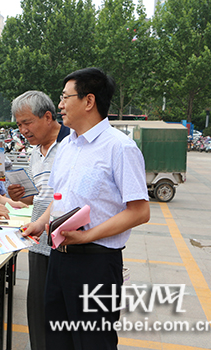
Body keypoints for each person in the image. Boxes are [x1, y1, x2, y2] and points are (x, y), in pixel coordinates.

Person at [22, 68, 150, 350]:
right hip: (59, 259)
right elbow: (59, 198)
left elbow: (140, 211)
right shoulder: (67, 146)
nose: (60, 105)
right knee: (57, 341)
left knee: (94, 343)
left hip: (96, 265)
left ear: (89, 101)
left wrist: (87, 236)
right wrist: (39, 222)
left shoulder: (120, 148)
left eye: (65, 97)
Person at [7, 90, 70, 350]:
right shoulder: (35, 152)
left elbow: (65, 195)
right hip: (37, 234)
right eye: (19, 124)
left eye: (27, 122)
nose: (22, 130)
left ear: (47, 116)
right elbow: (37, 197)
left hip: (62, 232)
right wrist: (20, 195)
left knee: (59, 308)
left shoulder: (70, 144)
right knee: (38, 305)